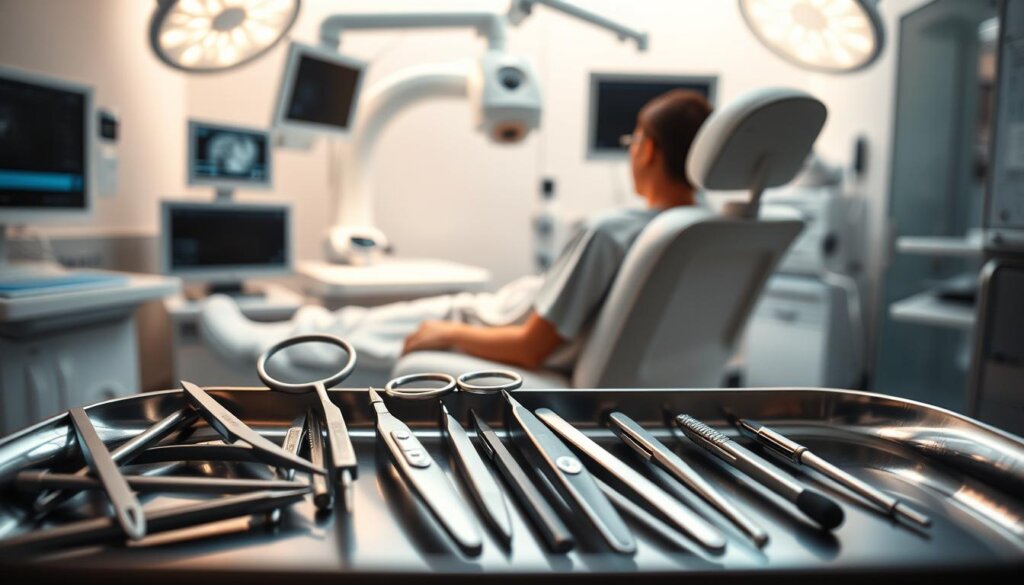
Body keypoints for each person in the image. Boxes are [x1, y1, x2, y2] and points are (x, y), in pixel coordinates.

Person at [200, 90, 712, 377]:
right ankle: (301, 324)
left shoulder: (611, 230)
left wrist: (449, 334)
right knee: (354, 321)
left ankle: (260, 347)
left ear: (645, 149)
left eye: (633, 141)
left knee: (366, 333)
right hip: (503, 309)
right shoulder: (699, 231)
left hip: (484, 323)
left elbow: (531, 347)